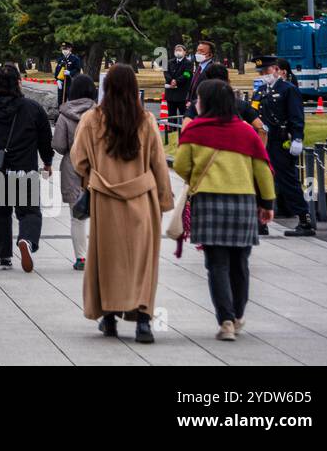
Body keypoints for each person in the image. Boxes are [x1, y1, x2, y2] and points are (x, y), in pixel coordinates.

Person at [70, 63, 174, 344]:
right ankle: (143, 321)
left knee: (107, 259)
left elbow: (78, 159)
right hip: (142, 198)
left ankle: (109, 317)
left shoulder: (92, 119)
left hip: (105, 199)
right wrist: (165, 199)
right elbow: (158, 165)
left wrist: (92, 178)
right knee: (142, 261)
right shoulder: (146, 121)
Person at [175, 79, 276, 341]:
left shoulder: (195, 131)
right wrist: (267, 203)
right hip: (242, 202)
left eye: (198, 99)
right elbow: (262, 169)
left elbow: (180, 165)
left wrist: (196, 177)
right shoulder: (245, 132)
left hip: (208, 202)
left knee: (216, 265)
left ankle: (226, 320)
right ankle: (239, 314)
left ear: (205, 102)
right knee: (240, 263)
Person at [0, 63, 53, 271]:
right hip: (25, 168)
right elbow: (45, 138)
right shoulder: (33, 108)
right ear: (19, 83)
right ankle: (26, 240)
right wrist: (47, 161)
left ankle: (3, 255)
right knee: (29, 211)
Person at [256, 56, 314, 237]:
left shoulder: (288, 89)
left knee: (287, 180)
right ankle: (261, 221)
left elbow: (296, 116)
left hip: (282, 141)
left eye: (265, 71)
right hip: (265, 140)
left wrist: (297, 138)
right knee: (261, 180)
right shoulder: (263, 90)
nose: (263, 75)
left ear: (275, 69)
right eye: (261, 72)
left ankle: (305, 220)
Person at [51, 73, 97, 270]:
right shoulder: (101, 113)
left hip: (72, 165)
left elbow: (59, 145)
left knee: (76, 215)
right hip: (97, 166)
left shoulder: (65, 115)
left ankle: (81, 257)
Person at [163, 43, 193, 127]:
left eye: (180, 50)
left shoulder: (188, 63)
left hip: (182, 92)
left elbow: (187, 74)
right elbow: (166, 73)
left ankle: (184, 129)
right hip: (170, 92)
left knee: (183, 113)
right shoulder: (170, 62)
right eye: (176, 50)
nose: (178, 52)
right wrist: (170, 80)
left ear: (185, 52)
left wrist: (177, 81)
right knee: (171, 113)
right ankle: (172, 129)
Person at [185, 40, 217, 114]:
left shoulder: (213, 69)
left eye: (201, 51)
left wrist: (195, 103)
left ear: (210, 54)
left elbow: (212, 92)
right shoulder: (199, 67)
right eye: (197, 51)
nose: (198, 53)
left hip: (204, 109)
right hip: (192, 106)